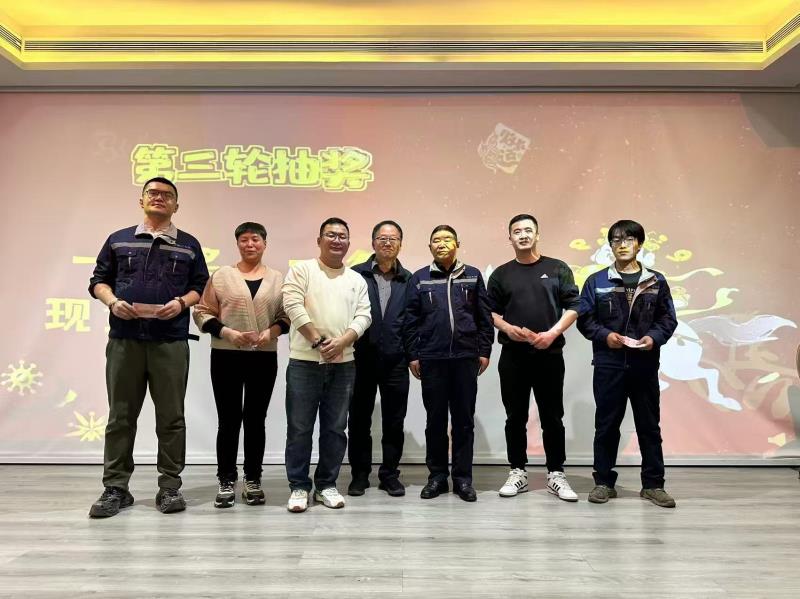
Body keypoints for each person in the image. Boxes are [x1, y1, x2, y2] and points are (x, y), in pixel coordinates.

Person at [87, 177, 209, 518]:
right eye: (152, 193)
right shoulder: (118, 239)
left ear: (176, 205)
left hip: (170, 341)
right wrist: (113, 302)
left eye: (167, 195)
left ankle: (169, 487)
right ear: (141, 200)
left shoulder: (189, 244)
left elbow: (200, 285)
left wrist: (181, 303)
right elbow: (98, 281)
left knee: (171, 417)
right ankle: (116, 488)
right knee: (120, 417)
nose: (159, 198)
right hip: (125, 340)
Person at [577, 219, 678, 508]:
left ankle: (653, 485)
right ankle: (603, 483)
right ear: (610, 246)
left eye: (629, 239)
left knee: (649, 426)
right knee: (606, 426)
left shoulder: (656, 281)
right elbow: (585, 319)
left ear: (639, 244)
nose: (622, 245)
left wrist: (653, 338)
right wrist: (604, 336)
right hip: (609, 365)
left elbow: (667, 319)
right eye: (616, 240)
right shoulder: (596, 281)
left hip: (644, 365)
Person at [193, 222, 289, 508]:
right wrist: (228, 333)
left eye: (255, 239)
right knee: (228, 420)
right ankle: (226, 479)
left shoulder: (277, 278)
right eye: (244, 240)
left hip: (263, 355)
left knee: (256, 419)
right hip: (226, 355)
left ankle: (253, 479)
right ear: (237, 244)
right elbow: (202, 311)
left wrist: (270, 333)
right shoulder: (222, 276)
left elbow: (286, 316)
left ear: (265, 244)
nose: (250, 244)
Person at [487, 214, 580, 501]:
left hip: (549, 355)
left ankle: (556, 473)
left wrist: (552, 333)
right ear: (510, 238)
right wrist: (507, 328)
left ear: (537, 235)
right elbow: (490, 312)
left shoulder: (557, 268)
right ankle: (517, 471)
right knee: (515, 417)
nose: (523, 235)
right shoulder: (501, 274)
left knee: (552, 416)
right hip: (513, 356)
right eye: (517, 231)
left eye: (528, 230)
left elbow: (574, 306)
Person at [282, 217, 371, 512]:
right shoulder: (302, 270)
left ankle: (325, 485)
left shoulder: (356, 279)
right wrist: (318, 340)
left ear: (349, 242)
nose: (337, 240)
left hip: (344, 364)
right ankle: (298, 486)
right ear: (319, 240)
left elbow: (364, 316)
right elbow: (292, 305)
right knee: (299, 428)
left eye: (342, 236)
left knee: (335, 428)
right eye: (331, 235)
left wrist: (342, 342)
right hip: (304, 362)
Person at [404, 225, 493, 502]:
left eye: (447, 239)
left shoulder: (473, 275)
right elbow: (410, 320)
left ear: (457, 244)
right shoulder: (420, 278)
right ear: (429, 246)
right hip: (432, 359)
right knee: (435, 421)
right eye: (436, 240)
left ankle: (463, 479)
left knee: (464, 422)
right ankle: (437, 477)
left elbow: (484, 317)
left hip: (465, 358)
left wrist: (484, 350)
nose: (441, 244)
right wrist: (413, 354)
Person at [347, 220, 412, 498]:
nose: (387, 243)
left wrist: (411, 355)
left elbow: (413, 322)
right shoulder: (355, 275)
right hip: (360, 359)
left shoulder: (409, 279)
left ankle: (389, 475)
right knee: (358, 420)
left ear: (400, 244)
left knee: (394, 421)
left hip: (396, 361)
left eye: (393, 238)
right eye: (382, 238)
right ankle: (360, 475)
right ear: (373, 242)